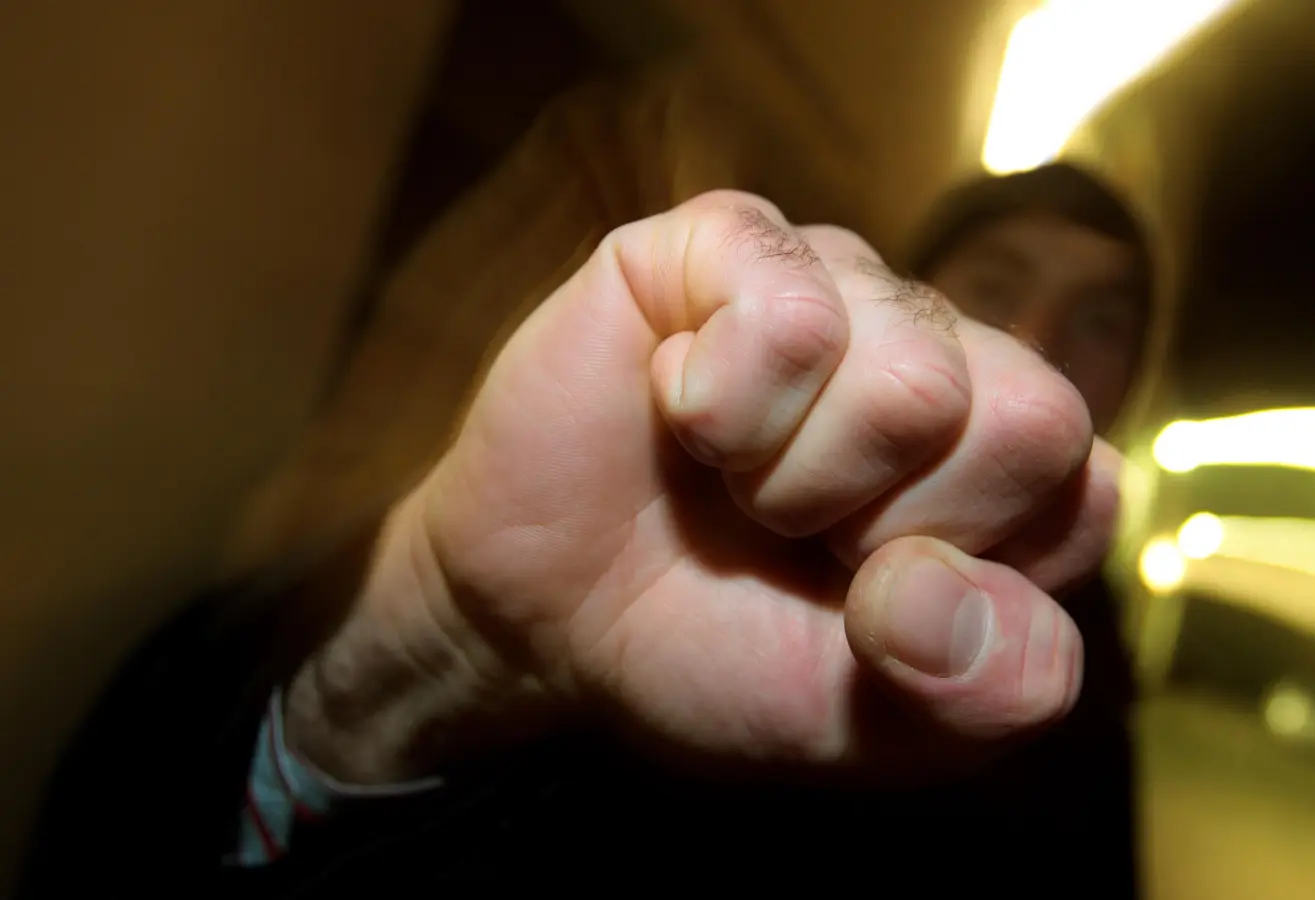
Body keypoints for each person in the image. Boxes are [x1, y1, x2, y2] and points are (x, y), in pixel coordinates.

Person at [19, 158, 1154, 894]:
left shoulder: (1093, 680)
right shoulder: (696, 509)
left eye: (1100, 319)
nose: (1045, 330)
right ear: (921, 293)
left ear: (1136, 377)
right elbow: (119, 842)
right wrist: (451, 644)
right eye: (998, 279)